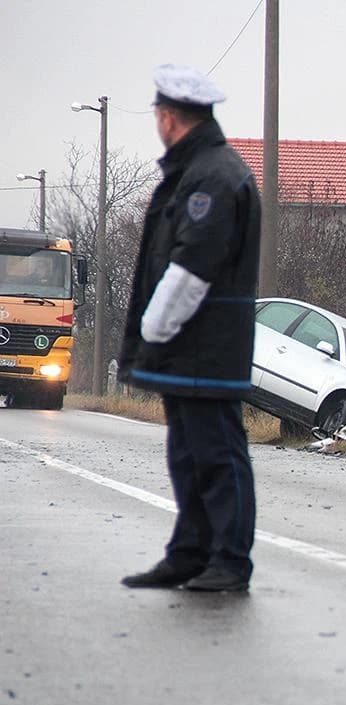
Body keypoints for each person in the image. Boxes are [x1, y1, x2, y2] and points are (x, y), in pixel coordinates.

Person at [118, 64, 262, 593]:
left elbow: (193, 264)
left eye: (158, 115)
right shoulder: (197, 170)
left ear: (169, 118)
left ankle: (229, 559)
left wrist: (154, 330)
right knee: (188, 452)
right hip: (191, 347)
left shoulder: (213, 177)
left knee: (217, 453)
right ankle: (190, 553)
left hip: (205, 344)